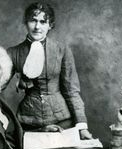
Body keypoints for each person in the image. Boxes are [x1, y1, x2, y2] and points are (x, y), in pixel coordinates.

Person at [7, 2, 92, 139]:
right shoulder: (13, 53)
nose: (37, 27)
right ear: (26, 22)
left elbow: (71, 91)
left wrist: (82, 126)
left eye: (43, 22)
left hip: (63, 121)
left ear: (50, 25)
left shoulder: (61, 50)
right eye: (33, 21)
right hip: (29, 122)